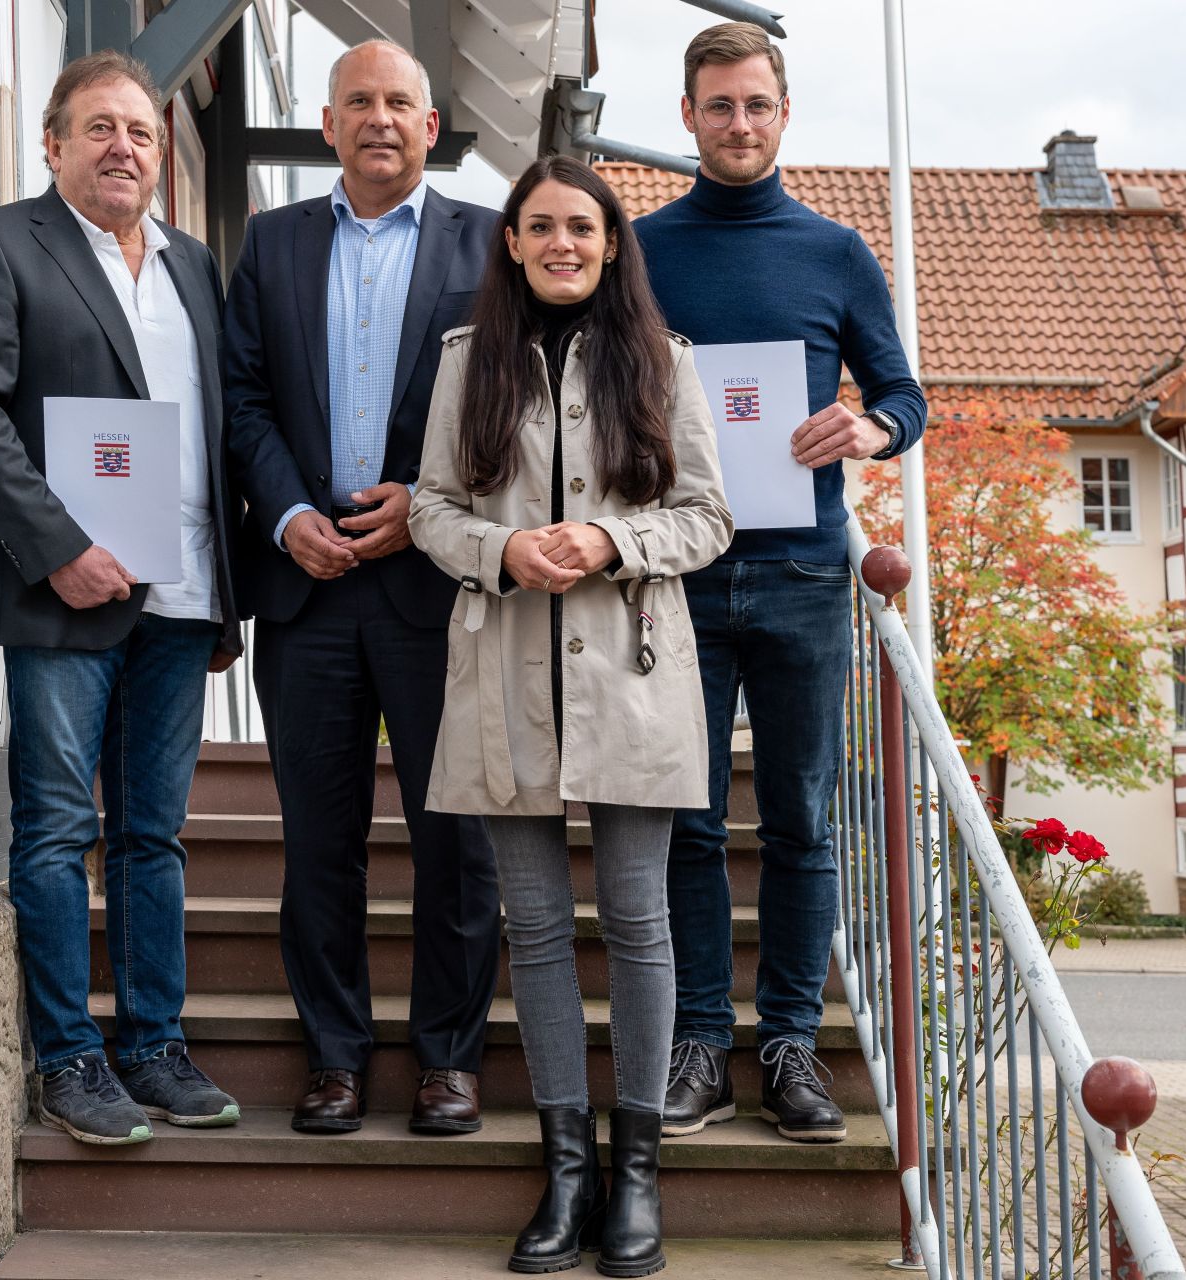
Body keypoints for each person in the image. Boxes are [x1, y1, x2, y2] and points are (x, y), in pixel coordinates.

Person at [411, 154, 733, 1278]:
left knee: (638, 922)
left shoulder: (663, 359)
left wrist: (610, 542)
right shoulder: (468, 361)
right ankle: (567, 1170)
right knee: (537, 929)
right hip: (504, 664)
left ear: (609, 244)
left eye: (582, 229)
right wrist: (501, 549)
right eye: (541, 226)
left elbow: (708, 517)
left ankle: (638, 1173)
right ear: (511, 240)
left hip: (635, 668)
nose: (562, 244)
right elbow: (430, 509)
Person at [0, 52, 241, 1145]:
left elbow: (214, 426)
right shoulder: (1, 242)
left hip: (184, 588)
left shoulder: (197, 265)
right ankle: (71, 1056)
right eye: (99, 128)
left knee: (153, 833)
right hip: (65, 595)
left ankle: (155, 1043)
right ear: (53, 144)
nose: (124, 147)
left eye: (142, 132)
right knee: (59, 826)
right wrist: (58, 546)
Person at [634, 22, 929, 1144]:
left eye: (757, 104)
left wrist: (866, 422)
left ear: (783, 113)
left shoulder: (837, 252)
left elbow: (906, 395)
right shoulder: (643, 250)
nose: (739, 123)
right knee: (691, 824)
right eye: (720, 105)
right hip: (681, 579)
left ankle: (792, 1043)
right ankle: (702, 1041)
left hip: (806, 573)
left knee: (801, 821)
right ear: (690, 117)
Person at [222, 40, 503, 1136]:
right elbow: (242, 396)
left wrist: (426, 502)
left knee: (457, 842)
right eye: (358, 103)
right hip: (307, 586)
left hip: (434, 584)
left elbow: (512, 409)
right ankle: (335, 1055)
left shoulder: (489, 244)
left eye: (400, 103)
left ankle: (449, 1060)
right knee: (319, 841)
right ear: (328, 126)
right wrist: (290, 513)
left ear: (432, 128)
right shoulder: (273, 243)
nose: (379, 118)